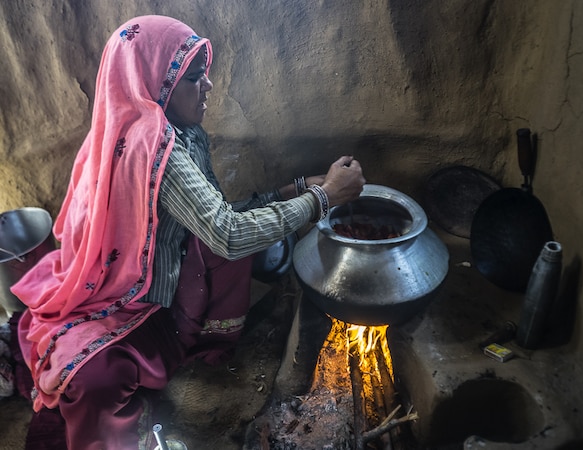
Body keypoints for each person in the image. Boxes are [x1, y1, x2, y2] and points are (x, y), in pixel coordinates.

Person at [10, 14, 365, 450]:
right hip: (124, 296)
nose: (208, 87)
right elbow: (228, 235)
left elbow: (213, 215)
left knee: (229, 243)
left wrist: (293, 190)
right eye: (194, 78)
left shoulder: (181, 132)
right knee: (95, 378)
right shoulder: (156, 147)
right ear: (156, 84)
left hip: (156, 270)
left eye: (204, 75)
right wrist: (325, 198)